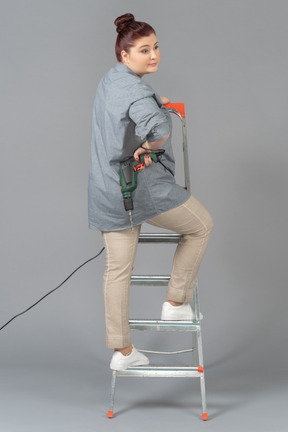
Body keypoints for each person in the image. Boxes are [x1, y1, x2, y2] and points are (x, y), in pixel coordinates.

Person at [88, 13, 213, 371]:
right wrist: (152, 137)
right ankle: (175, 304)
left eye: (156, 47)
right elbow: (157, 127)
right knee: (201, 225)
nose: (154, 55)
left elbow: (131, 117)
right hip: (136, 191)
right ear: (125, 55)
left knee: (116, 272)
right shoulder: (137, 90)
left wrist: (153, 109)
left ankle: (122, 352)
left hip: (105, 191)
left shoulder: (110, 81)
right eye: (144, 50)